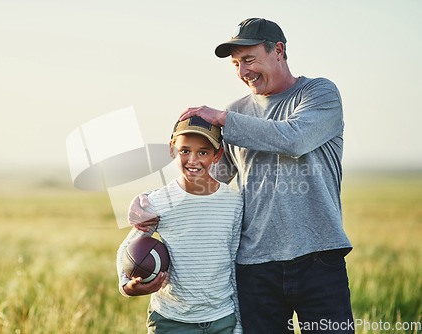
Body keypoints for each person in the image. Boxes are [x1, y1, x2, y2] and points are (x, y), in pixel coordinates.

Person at [130, 18, 354, 333]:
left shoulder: (318, 94)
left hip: (318, 260)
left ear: (279, 51)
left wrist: (223, 119)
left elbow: (294, 139)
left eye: (249, 59)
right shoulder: (237, 111)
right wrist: (149, 201)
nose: (243, 71)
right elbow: (207, 180)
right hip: (255, 268)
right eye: (236, 64)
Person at [117, 116, 244, 334]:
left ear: (217, 155)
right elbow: (126, 248)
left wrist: (238, 325)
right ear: (172, 150)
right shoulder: (156, 202)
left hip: (221, 319)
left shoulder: (233, 203)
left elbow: (233, 265)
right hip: (171, 321)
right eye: (184, 150)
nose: (192, 160)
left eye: (203, 152)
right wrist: (127, 287)